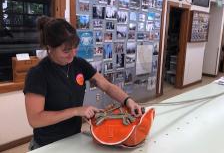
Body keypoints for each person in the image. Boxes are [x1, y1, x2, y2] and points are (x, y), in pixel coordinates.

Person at [24, 16, 142, 150]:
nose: (72, 55)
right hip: (47, 144)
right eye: (66, 51)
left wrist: (127, 100)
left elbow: (107, 86)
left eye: (75, 48)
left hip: (73, 138)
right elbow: (35, 119)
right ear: (49, 47)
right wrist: (76, 111)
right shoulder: (38, 74)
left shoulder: (79, 64)